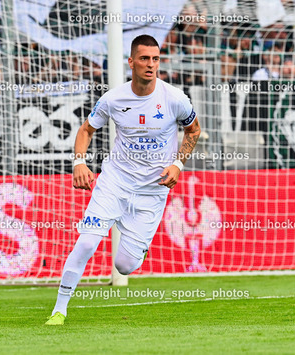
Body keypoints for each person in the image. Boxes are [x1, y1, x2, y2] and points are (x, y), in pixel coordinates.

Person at [45, 35, 201, 326]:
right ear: (131, 62)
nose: (150, 65)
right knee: (87, 242)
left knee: (125, 266)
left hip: (152, 190)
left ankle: (134, 239)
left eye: (155, 59)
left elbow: (193, 130)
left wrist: (178, 164)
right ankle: (59, 310)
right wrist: (79, 162)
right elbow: (86, 130)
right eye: (144, 59)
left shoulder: (174, 98)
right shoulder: (113, 99)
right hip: (115, 183)